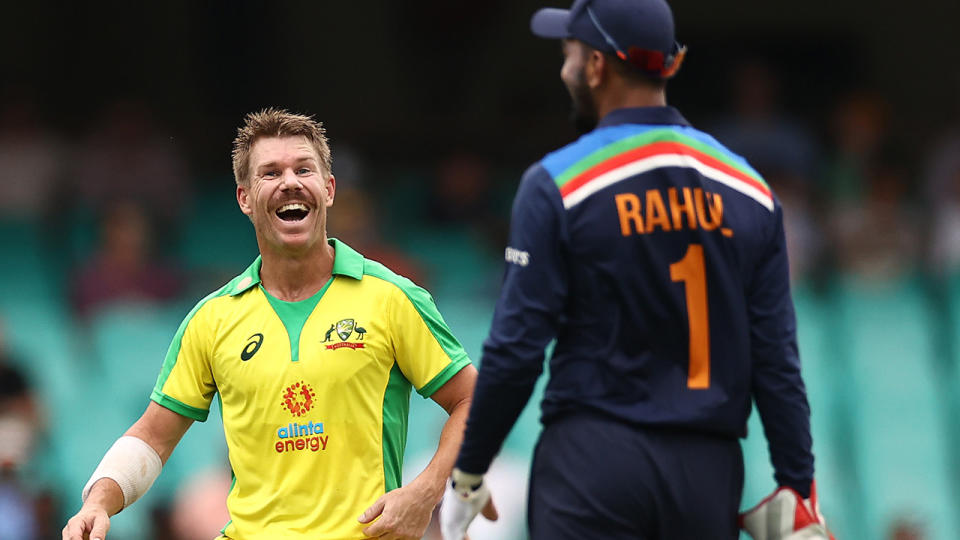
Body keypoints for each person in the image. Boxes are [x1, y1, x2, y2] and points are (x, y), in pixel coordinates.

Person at [440, 1, 832, 539]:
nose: (564, 69)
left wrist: (471, 471)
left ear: (597, 66)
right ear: (668, 64)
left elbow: (516, 348)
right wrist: (798, 488)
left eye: (568, 55)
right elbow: (777, 359)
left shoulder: (558, 181)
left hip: (592, 463)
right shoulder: (751, 190)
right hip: (707, 474)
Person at [63, 108, 478, 540]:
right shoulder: (213, 318)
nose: (290, 182)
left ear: (329, 189)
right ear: (244, 198)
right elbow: (153, 436)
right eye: (270, 172)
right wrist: (98, 502)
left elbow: (473, 400)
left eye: (304, 169)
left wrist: (427, 491)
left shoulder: (393, 297)